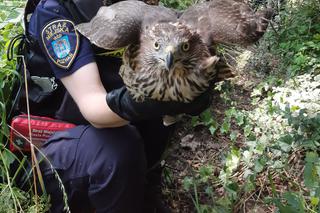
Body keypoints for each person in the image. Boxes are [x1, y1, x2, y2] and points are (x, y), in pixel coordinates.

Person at [20, 0, 211, 212]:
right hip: (58, 147)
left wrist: (190, 89)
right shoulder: (57, 12)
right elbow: (92, 106)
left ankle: (139, 190)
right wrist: (148, 103)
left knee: (164, 90)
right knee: (115, 149)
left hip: (109, 131)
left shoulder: (143, 10)